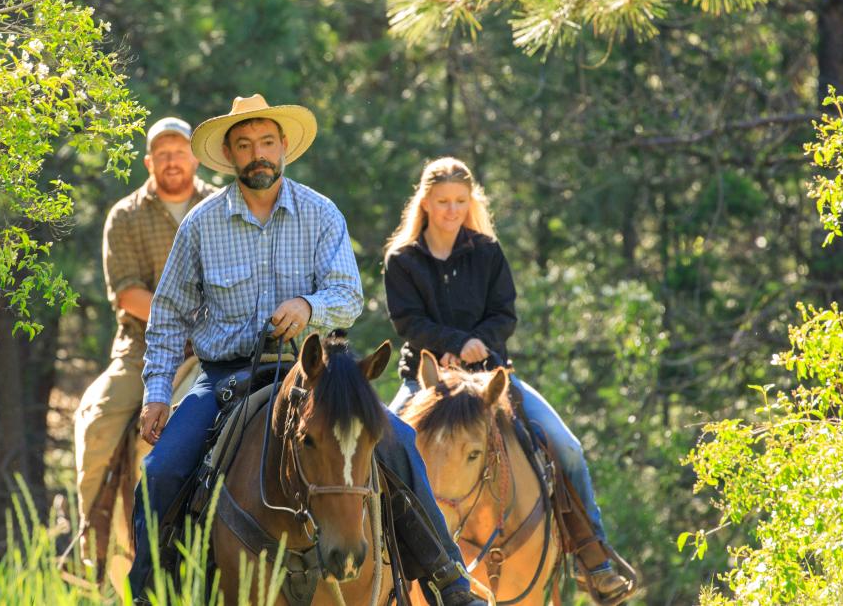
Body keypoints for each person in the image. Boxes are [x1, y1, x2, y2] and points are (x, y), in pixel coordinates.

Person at [129, 95, 483, 605]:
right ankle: (150, 593)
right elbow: (167, 317)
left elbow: (349, 296)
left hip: (319, 372)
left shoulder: (320, 213)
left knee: (400, 442)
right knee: (159, 472)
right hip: (227, 375)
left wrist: (307, 306)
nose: (258, 154)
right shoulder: (201, 224)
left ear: (284, 147)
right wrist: (158, 393)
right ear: (229, 155)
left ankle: (449, 581)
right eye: (244, 145)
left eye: (266, 142)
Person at [383, 156, 636, 603]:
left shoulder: (487, 252)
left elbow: (504, 314)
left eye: (460, 201)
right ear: (424, 203)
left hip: (488, 378)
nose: (452, 210)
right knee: (382, 454)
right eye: (443, 201)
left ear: (471, 201)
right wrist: (456, 343)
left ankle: (594, 558)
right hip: (427, 383)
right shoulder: (402, 259)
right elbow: (407, 321)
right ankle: (380, 568)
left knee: (567, 447)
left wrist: (478, 344)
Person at [73, 117, 214, 585]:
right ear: (149, 162)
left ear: (195, 158)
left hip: (210, 348)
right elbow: (128, 293)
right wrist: (180, 322)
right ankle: (92, 547)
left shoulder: (220, 205)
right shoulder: (126, 215)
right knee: (97, 420)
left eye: (180, 152)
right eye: (163, 154)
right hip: (142, 348)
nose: (173, 161)